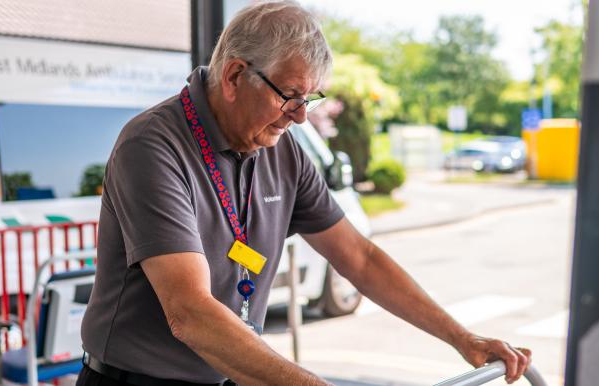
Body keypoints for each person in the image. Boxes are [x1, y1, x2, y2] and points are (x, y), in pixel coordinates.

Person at [78, 1, 531, 385]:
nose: (299, 117)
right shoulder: (153, 146)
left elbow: (359, 257)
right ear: (235, 76)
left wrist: (461, 338)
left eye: (309, 100)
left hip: (230, 373)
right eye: (290, 95)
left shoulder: (282, 149)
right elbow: (190, 312)